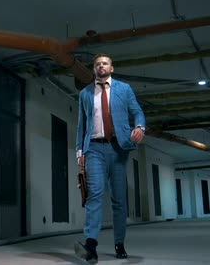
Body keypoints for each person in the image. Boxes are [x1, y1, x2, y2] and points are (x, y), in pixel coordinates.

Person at [74, 53, 145, 263]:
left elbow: (138, 112)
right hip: (93, 148)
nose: (101, 66)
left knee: (118, 200)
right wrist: (80, 153)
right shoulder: (85, 93)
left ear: (111, 68)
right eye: (97, 64)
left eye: (105, 63)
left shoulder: (124, 89)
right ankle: (91, 245)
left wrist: (139, 127)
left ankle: (119, 242)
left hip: (118, 148)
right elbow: (81, 125)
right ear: (94, 69)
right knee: (94, 194)